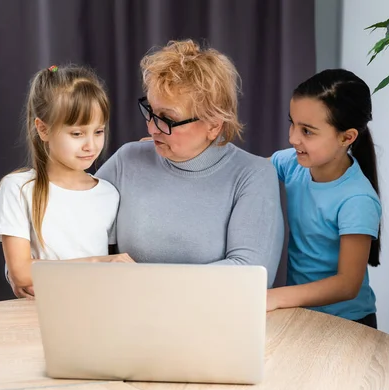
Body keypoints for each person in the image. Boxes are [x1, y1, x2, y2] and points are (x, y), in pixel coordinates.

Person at [96, 39, 284, 287]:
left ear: (214, 125)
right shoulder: (127, 160)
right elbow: (74, 232)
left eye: (167, 119)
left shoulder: (253, 176)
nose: (152, 128)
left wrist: (143, 279)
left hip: (212, 320)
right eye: (150, 111)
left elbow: (249, 275)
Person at [0, 65, 133, 299]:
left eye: (98, 131)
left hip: (97, 310)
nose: (91, 145)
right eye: (77, 134)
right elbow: (22, 273)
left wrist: (45, 270)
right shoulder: (18, 189)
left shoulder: (108, 193)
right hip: (36, 315)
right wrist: (100, 262)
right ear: (43, 129)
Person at [266, 69, 382, 329]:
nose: (292, 137)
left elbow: (347, 285)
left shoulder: (357, 199)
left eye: (307, 131)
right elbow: (246, 173)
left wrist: (274, 297)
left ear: (347, 137)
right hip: (301, 315)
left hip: (349, 324)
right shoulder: (293, 164)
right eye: (293, 123)